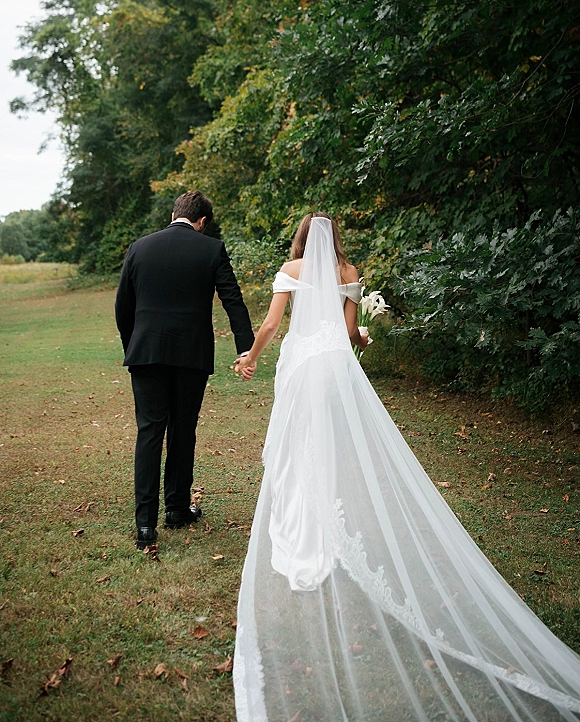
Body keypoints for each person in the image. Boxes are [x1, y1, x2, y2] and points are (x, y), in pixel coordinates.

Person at [233, 214, 580, 722]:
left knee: (296, 450)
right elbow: (351, 333)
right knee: (328, 447)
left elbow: (269, 325)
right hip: (335, 368)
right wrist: (366, 340)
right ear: (336, 241)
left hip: (303, 367)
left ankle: (302, 530)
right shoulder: (349, 270)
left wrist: (251, 358)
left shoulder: (293, 268)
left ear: (303, 239)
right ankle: (327, 531)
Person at [115, 190, 254, 550]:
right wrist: (246, 348)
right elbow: (232, 299)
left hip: (145, 352)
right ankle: (176, 510)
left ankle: (145, 525)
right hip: (191, 354)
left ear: (174, 213)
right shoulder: (210, 249)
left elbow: (123, 305)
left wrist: (134, 344)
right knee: (183, 429)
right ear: (202, 221)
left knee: (149, 433)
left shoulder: (139, 247)